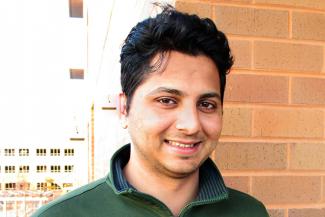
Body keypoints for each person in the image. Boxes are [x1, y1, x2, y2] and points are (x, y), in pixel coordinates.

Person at [32, 5, 269, 217]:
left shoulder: (251, 212)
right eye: (167, 100)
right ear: (124, 108)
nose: (191, 124)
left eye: (206, 105)